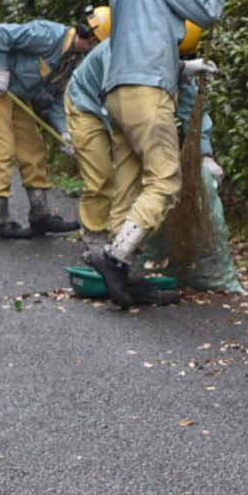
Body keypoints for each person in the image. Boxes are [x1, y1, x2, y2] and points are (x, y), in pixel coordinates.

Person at [91, 0, 232, 309]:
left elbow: (142, 40)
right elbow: (207, 10)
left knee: (130, 183)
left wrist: (185, 67)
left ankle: (120, 274)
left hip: (117, 94)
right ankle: (117, 257)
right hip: (146, 93)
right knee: (165, 180)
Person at [66, 19, 214, 304]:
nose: (179, 59)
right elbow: (113, 101)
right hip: (87, 104)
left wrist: (206, 154)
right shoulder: (122, 51)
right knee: (101, 177)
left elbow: (189, 109)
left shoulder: (172, 60)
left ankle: (118, 263)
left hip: (124, 114)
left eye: (183, 55)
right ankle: (96, 248)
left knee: (130, 185)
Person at [0, 8, 101, 238]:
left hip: (15, 91)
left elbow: (57, 98)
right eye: (98, 45)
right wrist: (2, 70)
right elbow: (1, 32)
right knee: (3, 149)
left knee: (33, 148)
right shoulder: (47, 34)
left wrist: (65, 133)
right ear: (90, 39)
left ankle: (40, 215)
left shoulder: (72, 61)